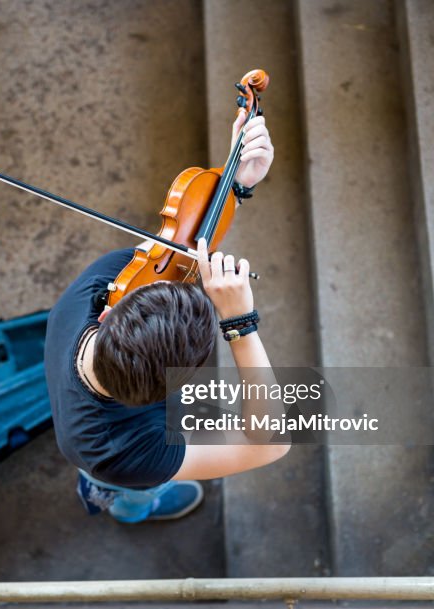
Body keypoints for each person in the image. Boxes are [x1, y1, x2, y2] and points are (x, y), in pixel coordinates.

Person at [44, 109, 290, 523]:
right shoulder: (125, 454)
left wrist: (234, 183)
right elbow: (271, 444)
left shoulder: (97, 286)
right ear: (165, 393)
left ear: (110, 317)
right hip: (119, 476)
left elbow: (174, 250)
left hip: (80, 403)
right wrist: (240, 326)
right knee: (136, 496)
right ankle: (134, 512)